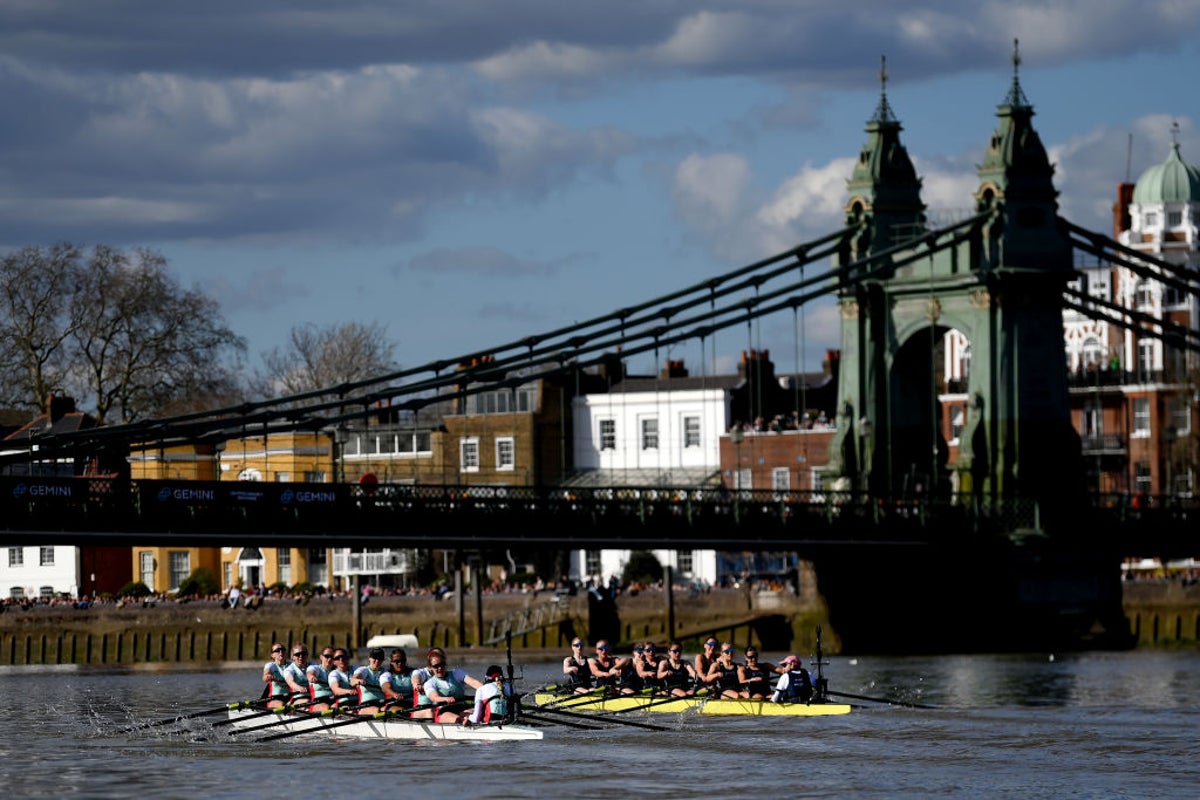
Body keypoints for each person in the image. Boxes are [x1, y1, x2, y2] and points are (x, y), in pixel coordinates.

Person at [351, 647, 387, 714]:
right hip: (365, 705)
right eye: (375, 658)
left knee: (391, 710)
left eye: (380, 658)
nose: (377, 661)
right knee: (377, 710)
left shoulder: (385, 672)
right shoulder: (364, 670)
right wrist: (358, 681)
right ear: (369, 658)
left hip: (382, 704)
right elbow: (352, 681)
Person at [306, 646, 337, 711]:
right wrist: (311, 677)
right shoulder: (316, 668)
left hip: (333, 700)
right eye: (327, 656)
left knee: (340, 707)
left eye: (332, 657)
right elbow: (310, 673)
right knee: (326, 708)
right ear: (321, 657)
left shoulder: (336, 672)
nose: (329, 659)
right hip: (317, 702)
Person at [262, 642, 289, 708]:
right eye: (277, 650)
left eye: (283, 650)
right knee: (282, 705)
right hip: (273, 699)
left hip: (290, 696)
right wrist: (267, 676)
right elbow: (266, 675)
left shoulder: (292, 665)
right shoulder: (271, 666)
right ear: (272, 655)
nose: (281, 652)